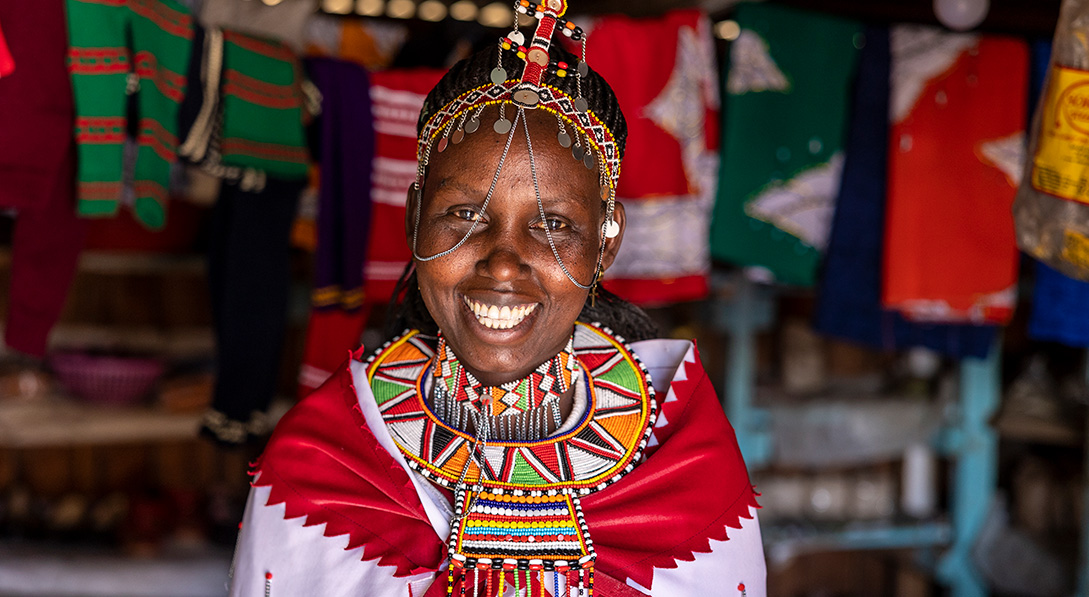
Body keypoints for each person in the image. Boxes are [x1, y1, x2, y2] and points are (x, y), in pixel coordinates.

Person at [230, 2, 765, 594]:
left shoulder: (686, 467)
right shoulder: (323, 466)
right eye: (463, 215)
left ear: (606, 243)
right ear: (413, 221)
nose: (504, 263)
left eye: (553, 225)